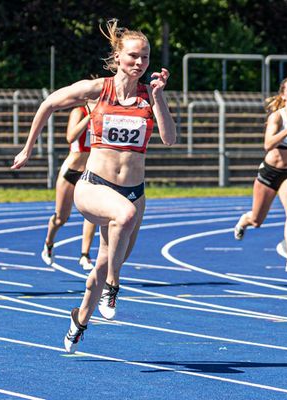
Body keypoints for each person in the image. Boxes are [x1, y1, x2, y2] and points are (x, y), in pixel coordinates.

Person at [11, 19, 176, 353]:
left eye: (144, 57)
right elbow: (48, 103)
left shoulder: (149, 95)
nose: (139, 63)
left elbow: (169, 139)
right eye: (132, 56)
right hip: (93, 185)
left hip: (134, 190)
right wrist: (28, 147)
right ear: (117, 57)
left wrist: (158, 98)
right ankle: (113, 285)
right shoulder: (98, 89)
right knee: (125, 218)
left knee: (102, 263)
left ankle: (79, 319)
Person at [233, 77, 287, 273]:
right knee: (257, 220)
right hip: (271, 171)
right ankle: (244, 221)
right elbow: (268, 144)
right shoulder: (277, 118)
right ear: (283, 95)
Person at [41, 104, 97, 271]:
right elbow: (70, 137)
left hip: (90, 171)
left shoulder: (105, 110)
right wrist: (90, 116)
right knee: (61, 218)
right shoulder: (79, 111)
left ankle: (85, 254)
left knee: (92, 214)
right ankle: (49, 243)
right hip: (71, 170)